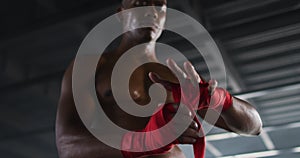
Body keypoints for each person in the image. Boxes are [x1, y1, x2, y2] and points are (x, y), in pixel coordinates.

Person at [55, 0, 263, 157]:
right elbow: (68, 145)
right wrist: (145, 142)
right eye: (141, 4)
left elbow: (254, 126)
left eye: (159, 6)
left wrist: (219, 99)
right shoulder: (92, 67)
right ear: (120, 14)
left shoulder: (177, 77)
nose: (151, 12)